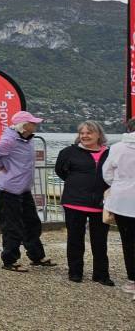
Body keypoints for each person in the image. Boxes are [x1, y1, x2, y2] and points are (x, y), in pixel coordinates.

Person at [0, 111, 57, 272]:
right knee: (12, 226)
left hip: (23, 189)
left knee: (32, 223)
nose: (35, 125)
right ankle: (9, 260)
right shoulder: (10, 140)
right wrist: (1, 165)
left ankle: (36, 255)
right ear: (24, 126)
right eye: (32, 122)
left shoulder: (27, 139)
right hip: (9, 190)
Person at [54, 121, 113, 285]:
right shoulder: (68, 152)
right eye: (82, 133)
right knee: (75, 239)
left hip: (100, 204)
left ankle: (101, 274)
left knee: (100, 241)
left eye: (89, 132)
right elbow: (60, 170)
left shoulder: (110, 153)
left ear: (99, 135)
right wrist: (76, 183)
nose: (85, 136)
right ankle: (75, 272)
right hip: (74, 202)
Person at [103, 118, 135, 297]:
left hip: (123, 201)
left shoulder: (117, 148)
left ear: (128, 129)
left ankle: (132, 280)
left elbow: (107, 174)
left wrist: (119, 185)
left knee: (128, 241)